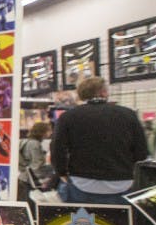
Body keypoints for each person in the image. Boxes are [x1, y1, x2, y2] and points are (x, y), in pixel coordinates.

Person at [52, 76, 148, 204]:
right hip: (121, 182)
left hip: (81, 182)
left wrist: (62, 172)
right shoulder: (128, 114)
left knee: (83, 222)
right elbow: (141, 151)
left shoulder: (68, 117)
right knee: (120, 223)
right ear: (103, 92)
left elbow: (57, 149)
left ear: (80, 94)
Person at [16, 121, 52, 202]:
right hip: (30, 179)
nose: (50, 132)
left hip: (23, 177)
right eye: (49, 130)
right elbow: (37, 164)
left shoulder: (25, 141)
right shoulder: (35, 144)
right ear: (42, 131)